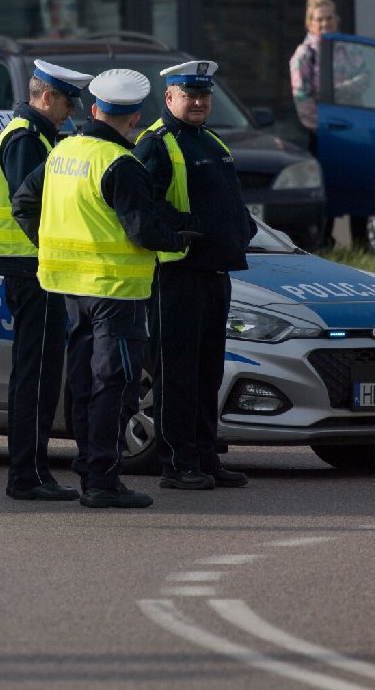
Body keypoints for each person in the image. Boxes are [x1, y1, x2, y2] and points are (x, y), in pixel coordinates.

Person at [11, 69, 193, 509]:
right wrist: (182, 239)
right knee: (117, 384)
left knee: (86, 382)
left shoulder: (62, 152)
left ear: (94, 109)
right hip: (118, 291)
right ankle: (102, 480)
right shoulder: (121, 164)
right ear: (134, 118)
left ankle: (89, 469)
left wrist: (49, 244)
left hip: (70, 289)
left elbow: (22, 202)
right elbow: (143, 230)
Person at [134, 60, 254, 491]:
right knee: (177, 373)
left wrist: (242, 231)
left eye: (205, 94)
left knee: (208, 372)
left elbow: (232, 204)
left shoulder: (213, 141)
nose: (200, 101)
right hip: (176, 276)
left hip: (214, 272)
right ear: (169, 98)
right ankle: (177, 462)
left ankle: (205, 456)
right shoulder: (156, 144)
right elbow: (143, 206)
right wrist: (181, 229)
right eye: (190, 94)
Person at [0, 59, 93, 501]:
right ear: (46, 97)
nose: (71, 112)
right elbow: (29, 203)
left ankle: (33, 471)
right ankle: (27, 475)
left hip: (36, 267)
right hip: (32, 269)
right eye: (68, 102)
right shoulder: (26, 140)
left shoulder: (40, 137)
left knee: (42, 373)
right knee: (37, 375)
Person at [288, 0, 368, 154]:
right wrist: (326, 129)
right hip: (324, 135)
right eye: (319, 19)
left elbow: (365, 79)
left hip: (354, 129)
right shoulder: (303, 55)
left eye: (329, 17)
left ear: (336, 19)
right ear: (310, 24)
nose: (325, 23)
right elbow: (303, 101)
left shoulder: (349, 48)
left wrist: (337, 91)